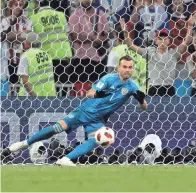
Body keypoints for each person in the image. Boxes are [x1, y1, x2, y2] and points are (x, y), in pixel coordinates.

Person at [7, 56, 148, 166]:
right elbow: (90, 93)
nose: (128, 70)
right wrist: (99, 94)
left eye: (130, 67)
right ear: (119, 67)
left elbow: (144, 107)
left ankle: (65, 159)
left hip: (98, 120)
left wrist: (141, 100)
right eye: (125, 67)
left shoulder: (132, 86)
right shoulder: (109, 79)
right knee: (57, 128)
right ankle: (24, 143)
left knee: (94, 141)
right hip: (84, 111)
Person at [120, 18, 193, 96]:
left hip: (169, 89)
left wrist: (190, 26)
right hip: (154, 89)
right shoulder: (149, 52)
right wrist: (125, 32)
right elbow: (130, 45)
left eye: (165, 39)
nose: (162, 41)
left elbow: (187, 41)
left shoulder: (174, 53)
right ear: (155, 41)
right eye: (160, 38)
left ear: (169, 41)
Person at [17, 32, 56, 97]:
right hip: (48, 95)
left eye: (26, 40)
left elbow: (25, 81)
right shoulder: (47, 55)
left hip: (30, 97)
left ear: (29, 43)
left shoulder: (26, 56)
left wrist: (35, 97)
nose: (24, 42)